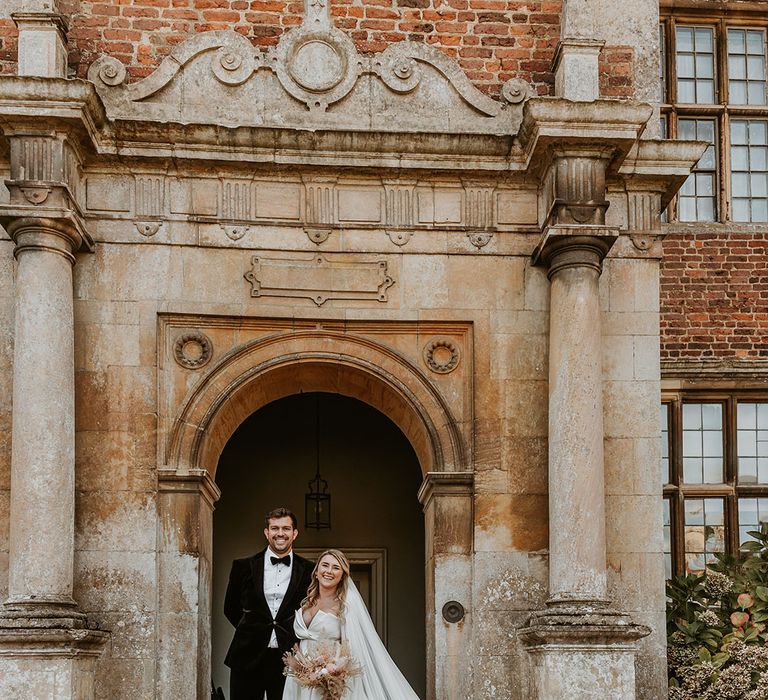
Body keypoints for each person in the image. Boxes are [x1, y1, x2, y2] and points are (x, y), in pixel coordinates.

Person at [282, 549, 420, 700]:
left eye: (336, 567)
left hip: (328, 676)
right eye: (325, 565)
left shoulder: (346, 604)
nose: (329, 571)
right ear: (316, 571)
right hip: (299, 675)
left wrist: (333, 673)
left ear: (342, 576)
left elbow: (352, 647)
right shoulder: (307, 602)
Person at [224, 507, 313, 700]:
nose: (280, 533)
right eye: (274, 528)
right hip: (247, 654)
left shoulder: (309, 570)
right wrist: (253, 629)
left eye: (286, 528)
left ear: (294, 533)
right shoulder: (243, 566)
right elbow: (230, 608)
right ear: (266, 532)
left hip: (289, 657)